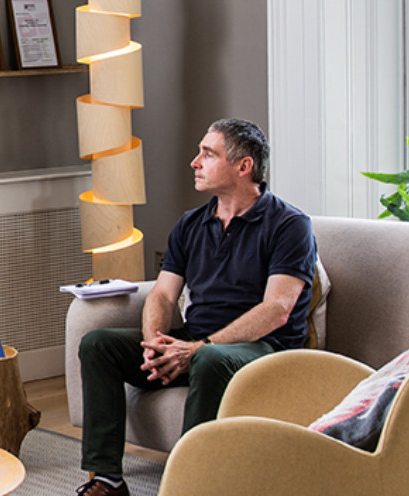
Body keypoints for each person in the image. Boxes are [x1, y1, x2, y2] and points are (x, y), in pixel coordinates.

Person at [74, 119, 316, 496]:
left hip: (264, 350)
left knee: (210, 359)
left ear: (243, 166)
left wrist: (198, 349)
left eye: (208, 154)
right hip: (197, 342)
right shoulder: (191, 224)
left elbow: (277, 310)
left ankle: (191, 485)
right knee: (99, 344)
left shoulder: (289, 225)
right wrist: (155, 344)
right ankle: (108, 479)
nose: (194, 162)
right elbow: (163, 295)